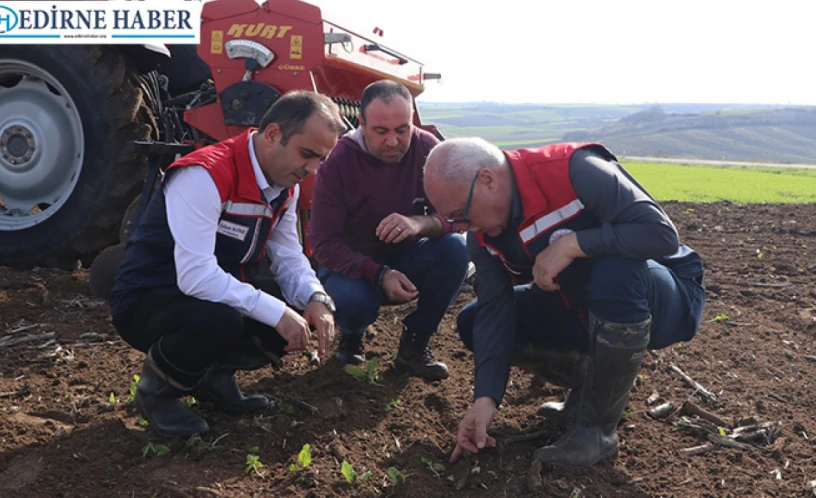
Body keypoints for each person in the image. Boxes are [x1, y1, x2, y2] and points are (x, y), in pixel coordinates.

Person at [423, 137, 706, 468]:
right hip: (581, 303)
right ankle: (590, 388)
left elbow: (659, 233)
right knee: (473, 322)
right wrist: (485, 398)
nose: (463, 227)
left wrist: (573, 245)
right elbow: (494, 312)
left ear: (487, 179)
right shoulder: (482, 237)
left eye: (461, 214)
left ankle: (597, 431)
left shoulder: (574, 169)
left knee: (614, 267)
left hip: (666, 295)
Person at [109, 91, 344, 439]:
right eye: (307, 154)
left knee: (293, 305)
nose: (311, 170)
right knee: (223, 320)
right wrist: (275, 311)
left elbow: (289, 256)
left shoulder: (284, 188)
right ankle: (156, 392)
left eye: (320, 160)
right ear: (273, 134)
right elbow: (196, 277)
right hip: (150, 298)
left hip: (209, 296)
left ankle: (212, 378)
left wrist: (316, 298)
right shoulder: (205, 175)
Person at [306, 80, 469, 381]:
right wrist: (379, 273)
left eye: (402, 130)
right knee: (355, 302)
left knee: (456, 249)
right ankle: (352, 334)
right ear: (362, 124)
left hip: (407, 259)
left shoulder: (428, 151)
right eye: (381, 132)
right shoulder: (338, 162)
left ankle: (415, 344)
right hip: (351, 267)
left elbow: (460, 217)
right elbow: (322, 242)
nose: (393, 142)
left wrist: (419, 223)